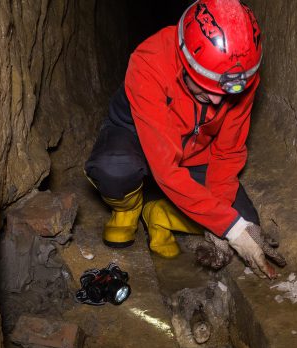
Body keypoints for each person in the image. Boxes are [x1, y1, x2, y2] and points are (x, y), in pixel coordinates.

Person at [84, 0, 285, 279]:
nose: (218, 99)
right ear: (184, 60)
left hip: (195, 150)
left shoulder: (241, 75)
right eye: (207, 86)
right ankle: (127, 211)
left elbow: (227, 154)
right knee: (114, 168)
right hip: (137, 140)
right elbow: (166, 169)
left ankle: (159, 214)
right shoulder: (148, 63)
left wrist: (227, 225)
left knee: (246, 222)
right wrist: (230, 228)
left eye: (226, 92)